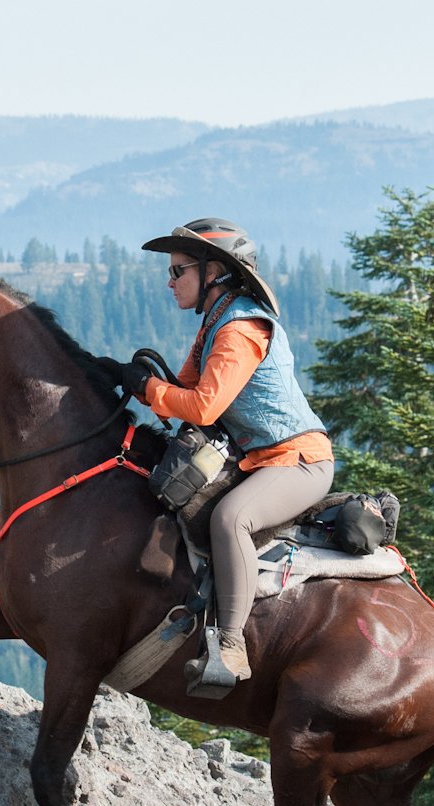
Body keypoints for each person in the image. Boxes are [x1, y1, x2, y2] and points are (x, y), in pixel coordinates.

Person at [138, 218, 334, 690]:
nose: (170, 281)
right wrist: (131, 382)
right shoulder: (215, 323)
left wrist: (150, 390)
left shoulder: (240, 328)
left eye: (178, 270)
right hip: (261, 460)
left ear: (214, 272)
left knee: (230, 520)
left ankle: (230, 646)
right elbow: (183, 389)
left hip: (298, 461)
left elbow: (204, 405)